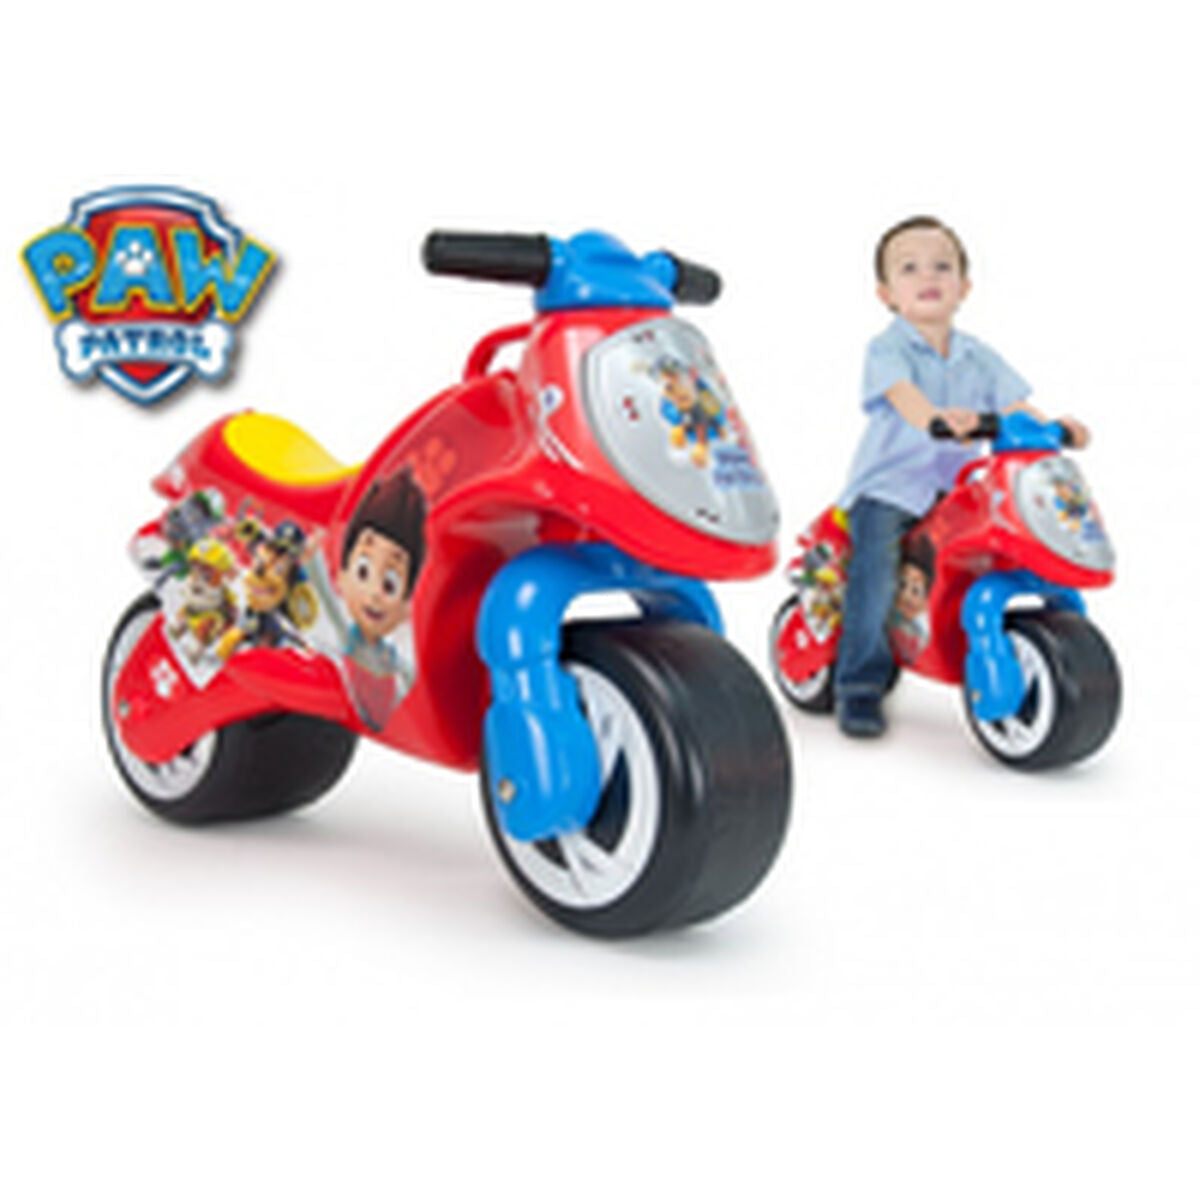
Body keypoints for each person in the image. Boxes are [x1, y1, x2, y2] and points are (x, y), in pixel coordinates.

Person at [834, 216, 1089, 737]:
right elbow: (903, 396)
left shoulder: (980, 357)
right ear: (886, 293)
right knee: (877, 575)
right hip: (889, 489)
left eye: (942, 266)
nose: (928, 275)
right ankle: (859, 686)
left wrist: (1054, 427)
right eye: (909, 268)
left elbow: (1015, 408)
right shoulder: (888, 350)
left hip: (954, 492)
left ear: (964, 286)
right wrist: (933, 417)